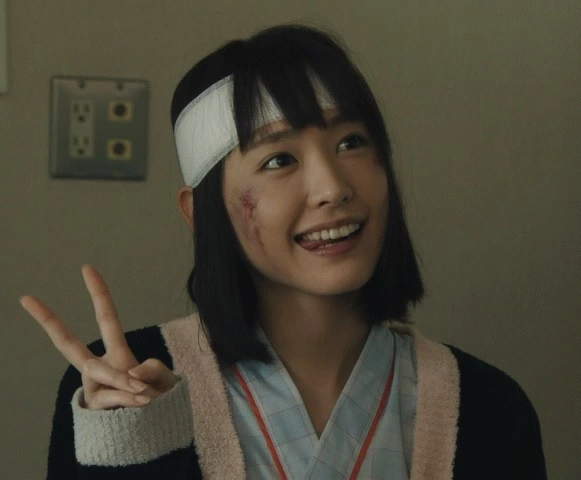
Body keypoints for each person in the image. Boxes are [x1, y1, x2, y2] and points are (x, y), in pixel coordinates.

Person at [21, 25, 546, 479]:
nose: (332, 187)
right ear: (202, 212)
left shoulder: (489, 407)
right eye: (278, 160)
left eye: (351, 142)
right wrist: (135, 447)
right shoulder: (116, 392)